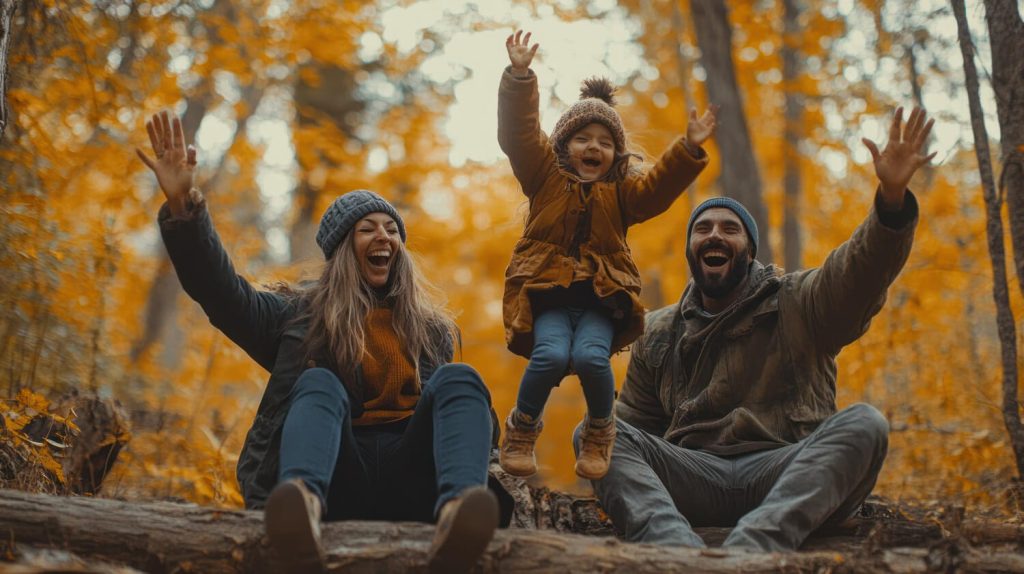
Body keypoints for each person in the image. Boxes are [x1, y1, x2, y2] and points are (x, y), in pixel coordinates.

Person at [136, 110, 500, 573]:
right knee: (319, 383)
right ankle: (299, 512)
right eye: (368, 229)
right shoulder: (298, 318)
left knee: (461, 380)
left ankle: (458, 515)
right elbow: (222, 293)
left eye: (391, 230)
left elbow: (458, 422)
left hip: (413, 477)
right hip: (337, 474)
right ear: (344, 250)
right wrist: (185, 207)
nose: (383, 236)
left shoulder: (432, 332)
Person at [585, 106, 936, 552]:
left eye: (730, 229)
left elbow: (859, 272)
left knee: (865, 423)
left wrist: (890, 199)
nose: (715, 235)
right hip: (696, 477)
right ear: (692, 249)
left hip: (785, 469)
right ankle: (675, 550)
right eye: (703, 229)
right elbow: (633, 427)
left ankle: (752, 551)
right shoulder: (657, 331)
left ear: (748, 250)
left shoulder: (800, 301)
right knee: (596, 429)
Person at [496, 30, 718, 481]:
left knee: (595, 360)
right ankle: (521, 428)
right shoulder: (544, 177)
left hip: (601, 298)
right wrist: (520, 77)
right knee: (550, 357)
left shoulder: (623, 195)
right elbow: (519, 135)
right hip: (549, 296)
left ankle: (600, 429)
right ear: (562, 146)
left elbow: (658, 189)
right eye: (583, 138)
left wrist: (688, 149)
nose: (593, 147)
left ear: (616, 154)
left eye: (605, 141)